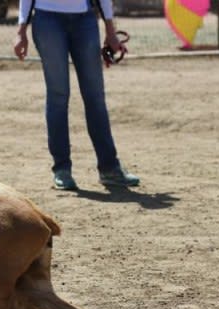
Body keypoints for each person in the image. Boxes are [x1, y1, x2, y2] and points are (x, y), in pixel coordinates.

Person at [14, 0, 140, 190]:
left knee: (95, 96)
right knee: (58, 95)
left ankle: (110, 169)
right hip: (47, 19)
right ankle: (62, 169)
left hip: (85, 19)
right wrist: (21, 30)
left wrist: (110, 30)